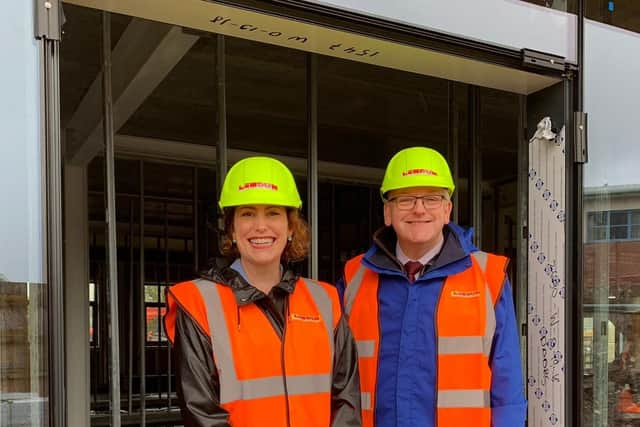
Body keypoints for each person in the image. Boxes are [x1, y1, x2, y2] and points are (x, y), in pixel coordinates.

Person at [164, 156, 361, 427]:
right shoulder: (198, 304)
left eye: (273, 213)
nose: (260, 226)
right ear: (231, 229)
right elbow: (202, 415)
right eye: (247, 213)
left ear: (291, 227)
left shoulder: (325, 301)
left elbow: (346, 401)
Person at [338, 147, 527, 427]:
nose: (419, 209)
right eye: (405, 199)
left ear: (447, 210)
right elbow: (336, 379)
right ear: (387, 212)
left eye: (432, 198)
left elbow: (507, 385)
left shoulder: (488, 277)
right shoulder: (354, 277)